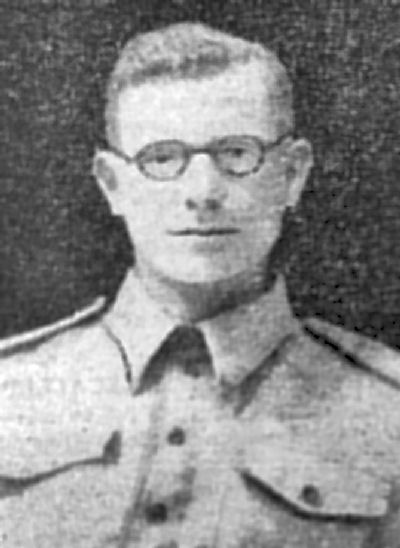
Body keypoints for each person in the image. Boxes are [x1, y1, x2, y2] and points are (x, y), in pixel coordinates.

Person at [1, 21, 400, 548]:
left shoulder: (387, 413)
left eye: (236, 154)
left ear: (292, 175)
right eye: (162, 158)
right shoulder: (11, 392)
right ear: (112, 184)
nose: (203, 192)